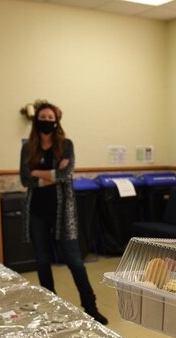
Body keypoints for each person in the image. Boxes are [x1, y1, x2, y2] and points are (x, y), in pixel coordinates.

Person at [19, 103, 108, 325]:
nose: (47, 120)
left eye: (51, 116)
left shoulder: (65, 145)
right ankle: (50, 307)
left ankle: (90, 307)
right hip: (36, 212)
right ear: (36, 120)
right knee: (42, 261)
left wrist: (37, 172)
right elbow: (24, 179)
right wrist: (52, 174)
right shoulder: (28, 147)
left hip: (62, 212)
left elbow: (66, 174)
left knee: (75, 262)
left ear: (57, 120)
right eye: (43, 116)